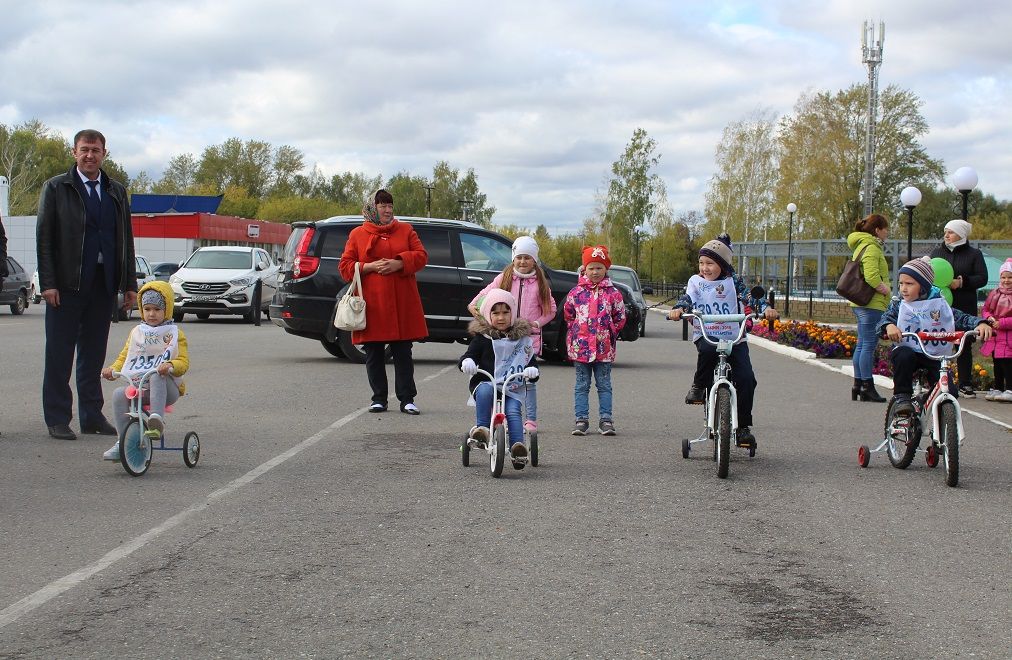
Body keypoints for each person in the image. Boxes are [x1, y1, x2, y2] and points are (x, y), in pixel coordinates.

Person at [37, 129, 137, 440]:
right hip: (66, 286)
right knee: (59, 353)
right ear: (74, 152)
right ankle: (57, 418)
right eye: (84, 149)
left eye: (95, 150)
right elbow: (45, 239)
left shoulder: (115, 191)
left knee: (93, 354)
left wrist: (129, 284)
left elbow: (126, 239)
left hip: (102, 285)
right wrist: (48, 283)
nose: (89, 155)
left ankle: (92, 416)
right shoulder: (56, 188)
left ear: (104, 153)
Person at [667, 234, 779, 449]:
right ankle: (699, 386)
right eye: (701, 262)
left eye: (710, 263)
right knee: (708, 353)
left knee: (746, 378)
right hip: (707, 333)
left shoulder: (732, 282)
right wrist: (679, 309)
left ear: (723, 264)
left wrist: (766, 309)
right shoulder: (696, 281)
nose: (705, 268)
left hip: (734, 337)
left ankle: (744, 427)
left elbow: (751, 298)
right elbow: (687, 299)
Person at [338, 189, 428, 414]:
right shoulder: (357, 234)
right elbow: (345, 267)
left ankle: (407, 399)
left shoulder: (405, 230)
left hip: (402, 303)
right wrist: (368, 267)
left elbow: (421, 256)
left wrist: (399, 263)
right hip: (373, 304)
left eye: (390, 206)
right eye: (382, 206)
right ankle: (378, 398)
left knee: (403, 352)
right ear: (372, 208)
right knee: (374, 351)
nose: (388, 210)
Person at [876, 258, 993, 417]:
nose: (903, 288)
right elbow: (884, 321)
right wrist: (888, 326)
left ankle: (939, 429)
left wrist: (980, 323)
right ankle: (902, 398)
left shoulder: (939, 304)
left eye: (909, 284)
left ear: (923, 286)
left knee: (949, 392)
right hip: (909, 353)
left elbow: (961, 318)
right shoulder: (899, 305)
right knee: (903, 354)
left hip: (934, 355)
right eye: (901, 283)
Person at [467, 235, 557, 433]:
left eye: (527, 257)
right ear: (513, 258)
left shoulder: (540, 282)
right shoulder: (504, 277)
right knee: (500, 378)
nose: (523, 262)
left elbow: (550, 310)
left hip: (527, 339)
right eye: (519, 257)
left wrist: (536, 323)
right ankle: (502, 416)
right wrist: (485, 320)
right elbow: (478, 301)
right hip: (503, 338)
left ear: (534, 260)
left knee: (527, 380)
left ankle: (530, 420)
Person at [100, 281, 189, 460]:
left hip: (167, 388)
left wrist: (170, 365)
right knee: (119, 394)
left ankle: (156, 421)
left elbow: (183, 362)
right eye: (147, 309)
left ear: (167, 309)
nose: (151, 314)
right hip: (142, 387)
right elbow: (126, 356)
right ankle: (123, 441)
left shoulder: (174, 333)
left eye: (157, 309)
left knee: (156, 374)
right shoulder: (137, 332)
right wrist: (112, 370)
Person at [459, 289, 539, 459]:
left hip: (512, 386)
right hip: (487, 383)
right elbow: (468, 356)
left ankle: (518, 447)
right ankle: (483, 430)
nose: (501, 317)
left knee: (513, 411)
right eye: (495, 313)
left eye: (505, 312)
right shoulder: (483, 339)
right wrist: (468, 363)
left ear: (513, 313)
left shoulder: (521, 340)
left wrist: (532, 371)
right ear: (488, 315)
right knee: (486, 390)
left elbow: (529, 360)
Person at [563, 245, 626, 436]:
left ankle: (606, 420)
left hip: (603, 348)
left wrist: (611, 331)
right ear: (585, 269)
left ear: (606, 269)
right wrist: (575, 331)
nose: (595, 272)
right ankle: (581, 419)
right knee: (581, 385)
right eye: (591, 268)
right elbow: (568, 314)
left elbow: (620, 316)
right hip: (580, 348)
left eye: (599, 267)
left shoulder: (613, 293)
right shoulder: (576, 292)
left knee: (604, 385)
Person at [930, 219, 988, 398]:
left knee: (963, 344)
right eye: (945, 232)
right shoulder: (937, 253)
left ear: (961, 235)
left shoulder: (974, 254)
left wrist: (962, 282)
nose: (946, 236)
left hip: (964, 305)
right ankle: (936, 381)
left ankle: (965, 383)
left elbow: (982, 278)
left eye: (951, 232)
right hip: (939, 306)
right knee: (938, 342)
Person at [845, 214, 891, 402]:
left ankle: (858, 385)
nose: (887, 232)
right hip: (871, 303)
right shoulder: (872, 247)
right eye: (886, 229)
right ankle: (867, 386)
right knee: (868, 345)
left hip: (860, 303)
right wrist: (885, 289)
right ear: (877, 230)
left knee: (862, 344)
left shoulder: (860, 245)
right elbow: (871, 276)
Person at [981, 259, 1012, 402]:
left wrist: (1003, 322)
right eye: (1003, 277)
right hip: (996, 335)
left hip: (1008, 335)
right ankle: (998, 387)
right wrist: (990, 319)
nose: (1006, 280)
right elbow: (986, 309)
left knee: (1008, 363)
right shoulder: (995, 293)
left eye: (1010, 277)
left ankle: (1010, 389)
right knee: (997, 361)